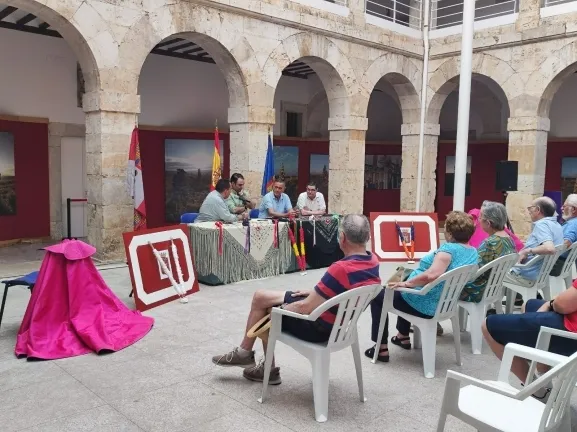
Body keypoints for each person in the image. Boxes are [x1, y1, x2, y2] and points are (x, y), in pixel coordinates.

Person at [211, 214, 381, 384]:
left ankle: (259, 363)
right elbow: (348, 291)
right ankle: (248, 355)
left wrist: (280, 310)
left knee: (268, 308)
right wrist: (315, 293)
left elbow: (305, 308)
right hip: (339, 325)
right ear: (367, 236)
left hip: (319, 328)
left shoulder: (341, 268)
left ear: (342, 237)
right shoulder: (372, 261)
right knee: (260, 297)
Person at [366, 211, 478, 363]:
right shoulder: (472, 252)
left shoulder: (448, 251)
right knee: (405, 277)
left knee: (379, 295)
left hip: (426, 303)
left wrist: (407, 284)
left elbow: (431, 275)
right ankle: (402, 336)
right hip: (445, 303)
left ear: (450, 233)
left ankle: (381, 348)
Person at [482, 279, 577, 398]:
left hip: (571, 333)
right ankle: (545, 381)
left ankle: (538, 393)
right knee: (528, 305)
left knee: (488, 325)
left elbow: (562, 304)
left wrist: (550, 304)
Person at [502, 197, 563, 295]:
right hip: (542, 274)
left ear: (538, 210)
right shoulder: (557, 225)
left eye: (530, 208)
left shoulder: (542, 225)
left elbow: (549, 248)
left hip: (526, 274)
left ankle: (494, 304)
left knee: (493, 275)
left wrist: (527, 251)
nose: (529, 211)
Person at [460, 201, 516, 303]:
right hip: (495, 288)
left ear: (488, 223)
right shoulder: (509, 239)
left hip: (478, 291)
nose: (478, 220)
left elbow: (473, 269)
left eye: (480, 217)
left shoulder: (489, 243)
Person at [550, 193, 577, 276]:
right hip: (563, 264)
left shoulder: (573, 224)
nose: (561, 208)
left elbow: (566, 242)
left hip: (556, 264)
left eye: (564, 206)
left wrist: (547, 249)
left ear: (573, 209)